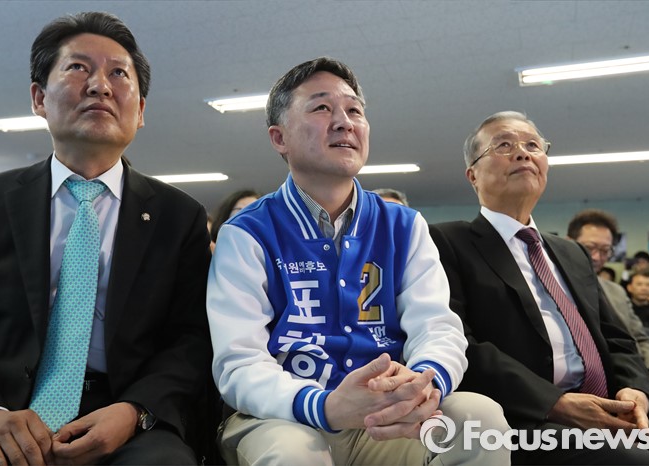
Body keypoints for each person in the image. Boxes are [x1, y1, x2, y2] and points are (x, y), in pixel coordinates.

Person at [206, 57, 509, 465]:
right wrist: (325, 406)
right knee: (293, 453)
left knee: (479, 420)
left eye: (354, 110)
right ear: (279, 138)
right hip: (281, 416)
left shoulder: (404, 225)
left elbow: (437, 326)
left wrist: (424, 383)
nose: (344, 122)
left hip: (383, 415)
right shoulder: (247, 232)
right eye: (321, 107)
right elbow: (239, 363)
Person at [0, 12, 212, 465]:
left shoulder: (179, 217)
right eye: (78, 67)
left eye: (119, 74)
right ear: (39, 98)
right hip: (3, 408)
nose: (100, 86)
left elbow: (191, 339)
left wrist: (135, 411)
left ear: (140, 111)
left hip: (123, 414)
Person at [428, 110, 649, 464]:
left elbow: (616, 338)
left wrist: (637, 392)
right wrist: (556, 403)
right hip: (523, 419)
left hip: (607, 410)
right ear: (472, 175)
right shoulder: (446, 242)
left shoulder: (571, 252)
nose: (522, 153)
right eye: (503, 146)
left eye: (533, 146)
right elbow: (461, 344)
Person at [567, 209, 649, 389]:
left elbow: (640, 337)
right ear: (567, 243)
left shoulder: (616, 291)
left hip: (632, 378)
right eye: (589, 248)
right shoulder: (554, 287)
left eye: (605, 250)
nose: (596, 257)